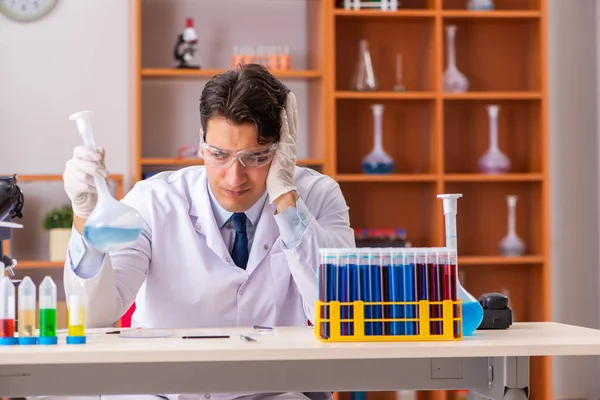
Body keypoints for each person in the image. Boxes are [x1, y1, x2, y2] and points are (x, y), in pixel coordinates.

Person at [60, 63, 355, 400]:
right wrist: (84, 217)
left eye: (255, 157)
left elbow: (338, 311)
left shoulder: (318, 196)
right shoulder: (155, 201)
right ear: (200, 142)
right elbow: (96, 316)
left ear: (281, 149)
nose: (234, 177)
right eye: (219, 155)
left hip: (275, 390)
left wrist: (286, 196)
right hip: (165, 392)